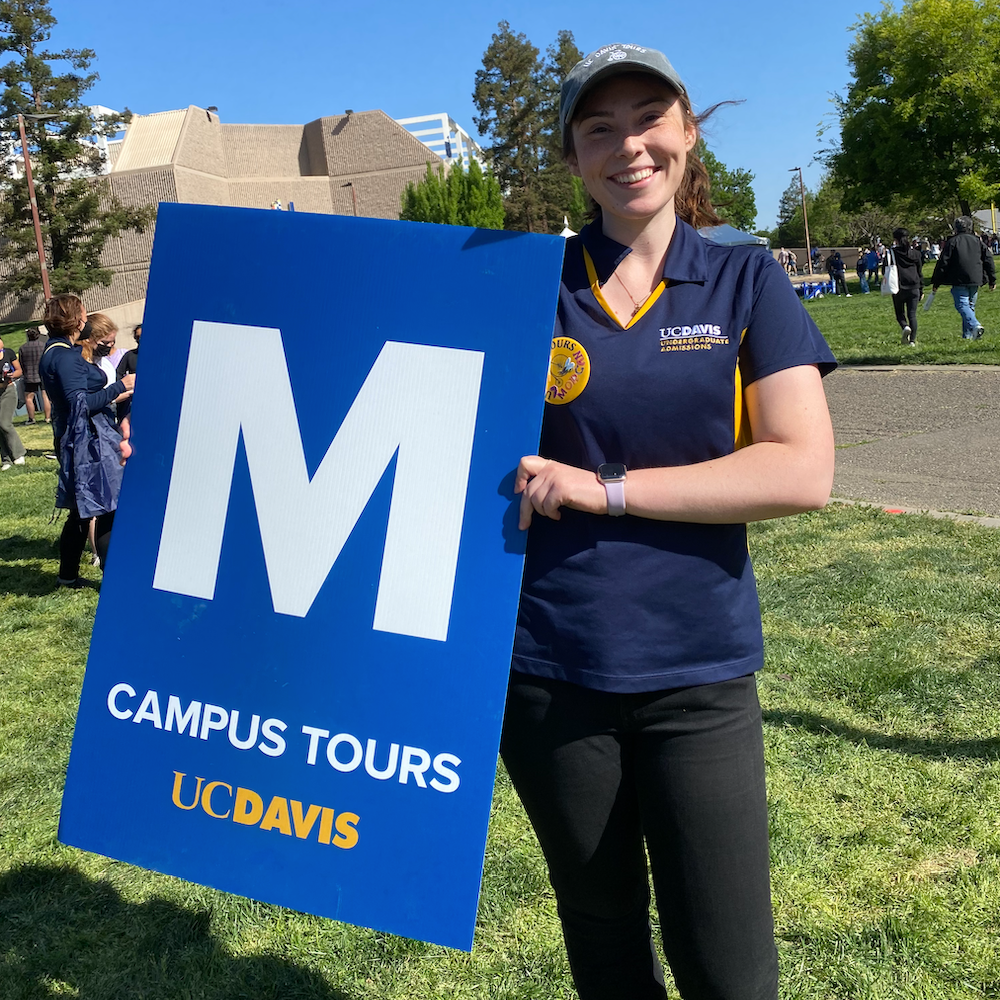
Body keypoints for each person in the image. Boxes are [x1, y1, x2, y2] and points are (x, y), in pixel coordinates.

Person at [506, 43, 836, 1000]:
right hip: (548, 672)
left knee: (728, 963)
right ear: (572, 159)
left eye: (650, 119)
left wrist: (605, 489)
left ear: (688, 135)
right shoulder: (528, 286)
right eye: (598, 129)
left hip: (697, 670)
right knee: (605, 944)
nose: (629, 146)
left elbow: (801, 469)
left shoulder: (744, 278)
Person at [38, 293, 135, 586]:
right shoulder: (66, 356)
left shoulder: (52, 350)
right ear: (76, 320)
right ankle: (115, 580)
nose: (86, 317)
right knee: (105, 508)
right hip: (88, 441)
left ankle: (67, 576)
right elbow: (79, 403)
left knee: (81, 512)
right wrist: (119, 386)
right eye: (83, 312)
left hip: (77, 438)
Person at [931, 216, 996, 339]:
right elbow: (988, 260)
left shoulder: (953, 242)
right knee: (970, 306)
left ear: (956, 228)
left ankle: (975, 325)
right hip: (976, 277)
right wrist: (992, 279)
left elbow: (943, 263)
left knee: (962, 305)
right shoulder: (978, 241)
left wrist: (936, 281)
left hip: (959, 278)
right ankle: (968, 335)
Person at [889, 227, 924, 345]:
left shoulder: (893, 253)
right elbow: (920, 272)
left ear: (895, 240)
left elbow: (886, 268)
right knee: (912, 314)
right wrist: (921, 288)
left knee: (900, 313)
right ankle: (912, 340)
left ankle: (904, 327)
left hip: (898, 286)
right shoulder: (916, 253)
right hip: (914, 286)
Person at [0, 336, 27, 470]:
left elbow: (19, 371)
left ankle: (18, 453)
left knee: (4, 423)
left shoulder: (8, 353)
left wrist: (13, 375)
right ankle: (6, 459)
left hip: (8, 391)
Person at [17, 327, 50, 425]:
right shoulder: (43, 346)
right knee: (46, 396)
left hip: (29, 375)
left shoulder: (23, 348)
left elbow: (21, 363)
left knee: (28, 397)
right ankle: (48, 417)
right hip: (43, 374)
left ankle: (31, 418)